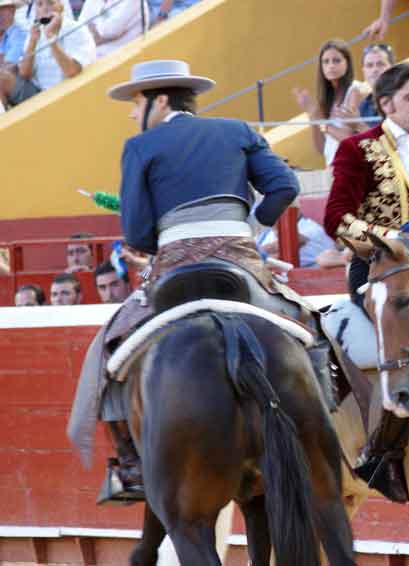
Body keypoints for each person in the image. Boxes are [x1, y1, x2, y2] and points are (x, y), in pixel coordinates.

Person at [66, 59, 306, 504]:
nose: (131, 112)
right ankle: (331, 429)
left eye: (135, 102)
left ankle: (131, 466)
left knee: (110, 345)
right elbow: (285, 187)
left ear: (160, 100)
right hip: (242, 259)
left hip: (176, 266)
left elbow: (137, 234)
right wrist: (247, 230)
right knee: (309, 324)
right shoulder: (238, 130)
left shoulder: (140, 146)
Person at [323, 62, 409, 504]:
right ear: (386, 103)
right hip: (373, 273)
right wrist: (388, 242)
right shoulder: (357, 149)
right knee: (397, 347)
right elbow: (336, 218)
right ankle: (383, 453)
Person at [0, 0, 95, 107]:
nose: (45, 8)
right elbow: (24, 74)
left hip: (69, 91)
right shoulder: (34, 32)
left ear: (61, 6)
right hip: (40, 94)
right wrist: (32, 41)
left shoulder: (75, 28)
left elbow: (72, 71)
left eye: (50, 3)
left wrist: (51, 37)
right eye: (40, 5)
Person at [293, 40, 368, 167]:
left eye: (336, 60)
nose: (331, 65)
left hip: (352, 167)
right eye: (326, 61)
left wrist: (321, 122)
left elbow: (348, 139)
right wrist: (312, 117)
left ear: (347, 63)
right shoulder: (326, 99)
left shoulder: (355, 90)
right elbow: (321, 149)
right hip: (332, 167)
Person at [78, 0, 148, 59]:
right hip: (93, 59)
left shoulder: (133, 2)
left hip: (123, 59)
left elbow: (109, 31)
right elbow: (79, 30)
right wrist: (98, 34)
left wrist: (92, 31)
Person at [357, 43, 394, 123]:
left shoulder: (401, 99)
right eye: (369, 65)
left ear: (392, 68)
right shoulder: (363, 105)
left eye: (380, 64)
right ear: (363, 71)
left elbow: (389, 135)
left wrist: (358, 126)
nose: (375, 70)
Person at [0, 0, 27, 70]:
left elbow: (10, 64)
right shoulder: (5, 34)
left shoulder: (19, 33)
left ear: (12, 10)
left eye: (2, 10)